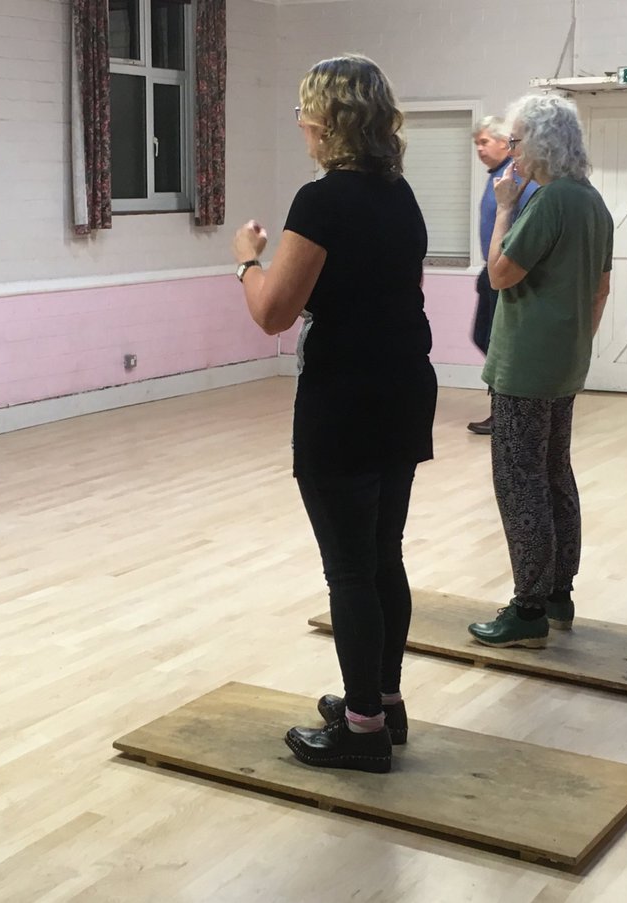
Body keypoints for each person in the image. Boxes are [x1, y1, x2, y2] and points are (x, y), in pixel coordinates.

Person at [232, 55, 437, 774]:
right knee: (384, 555)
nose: (300, 125)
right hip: (406, 387)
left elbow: (273, 312)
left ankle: (361, 730)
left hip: (345, 398)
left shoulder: (322, 201)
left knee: (350, 571)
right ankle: (383, 700)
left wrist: (246, 260)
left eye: (303, 112)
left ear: (325, 119)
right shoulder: (400, 193)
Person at [466, 93, 613, 648]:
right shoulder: (592, 202)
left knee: (519, 480)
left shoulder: (547, 201)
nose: (512, 153)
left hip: (525, 366)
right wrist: (575, 345)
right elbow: (600, 289)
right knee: (555, 475)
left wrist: (504, 207)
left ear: (543, 143)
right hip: (563, 363)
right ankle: (558, 595)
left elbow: (500, 275)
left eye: (518, 141)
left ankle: (527, 609)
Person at [468, 117, 538, 435]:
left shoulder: (516, 178)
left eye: (484, 142)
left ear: (503, 143)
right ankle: (504, 408)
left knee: (497, 342)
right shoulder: (496, 176)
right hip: (491, 268)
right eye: (477, 144)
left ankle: (506, 413)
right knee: (484, 336)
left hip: (508, 272)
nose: (480, 149)